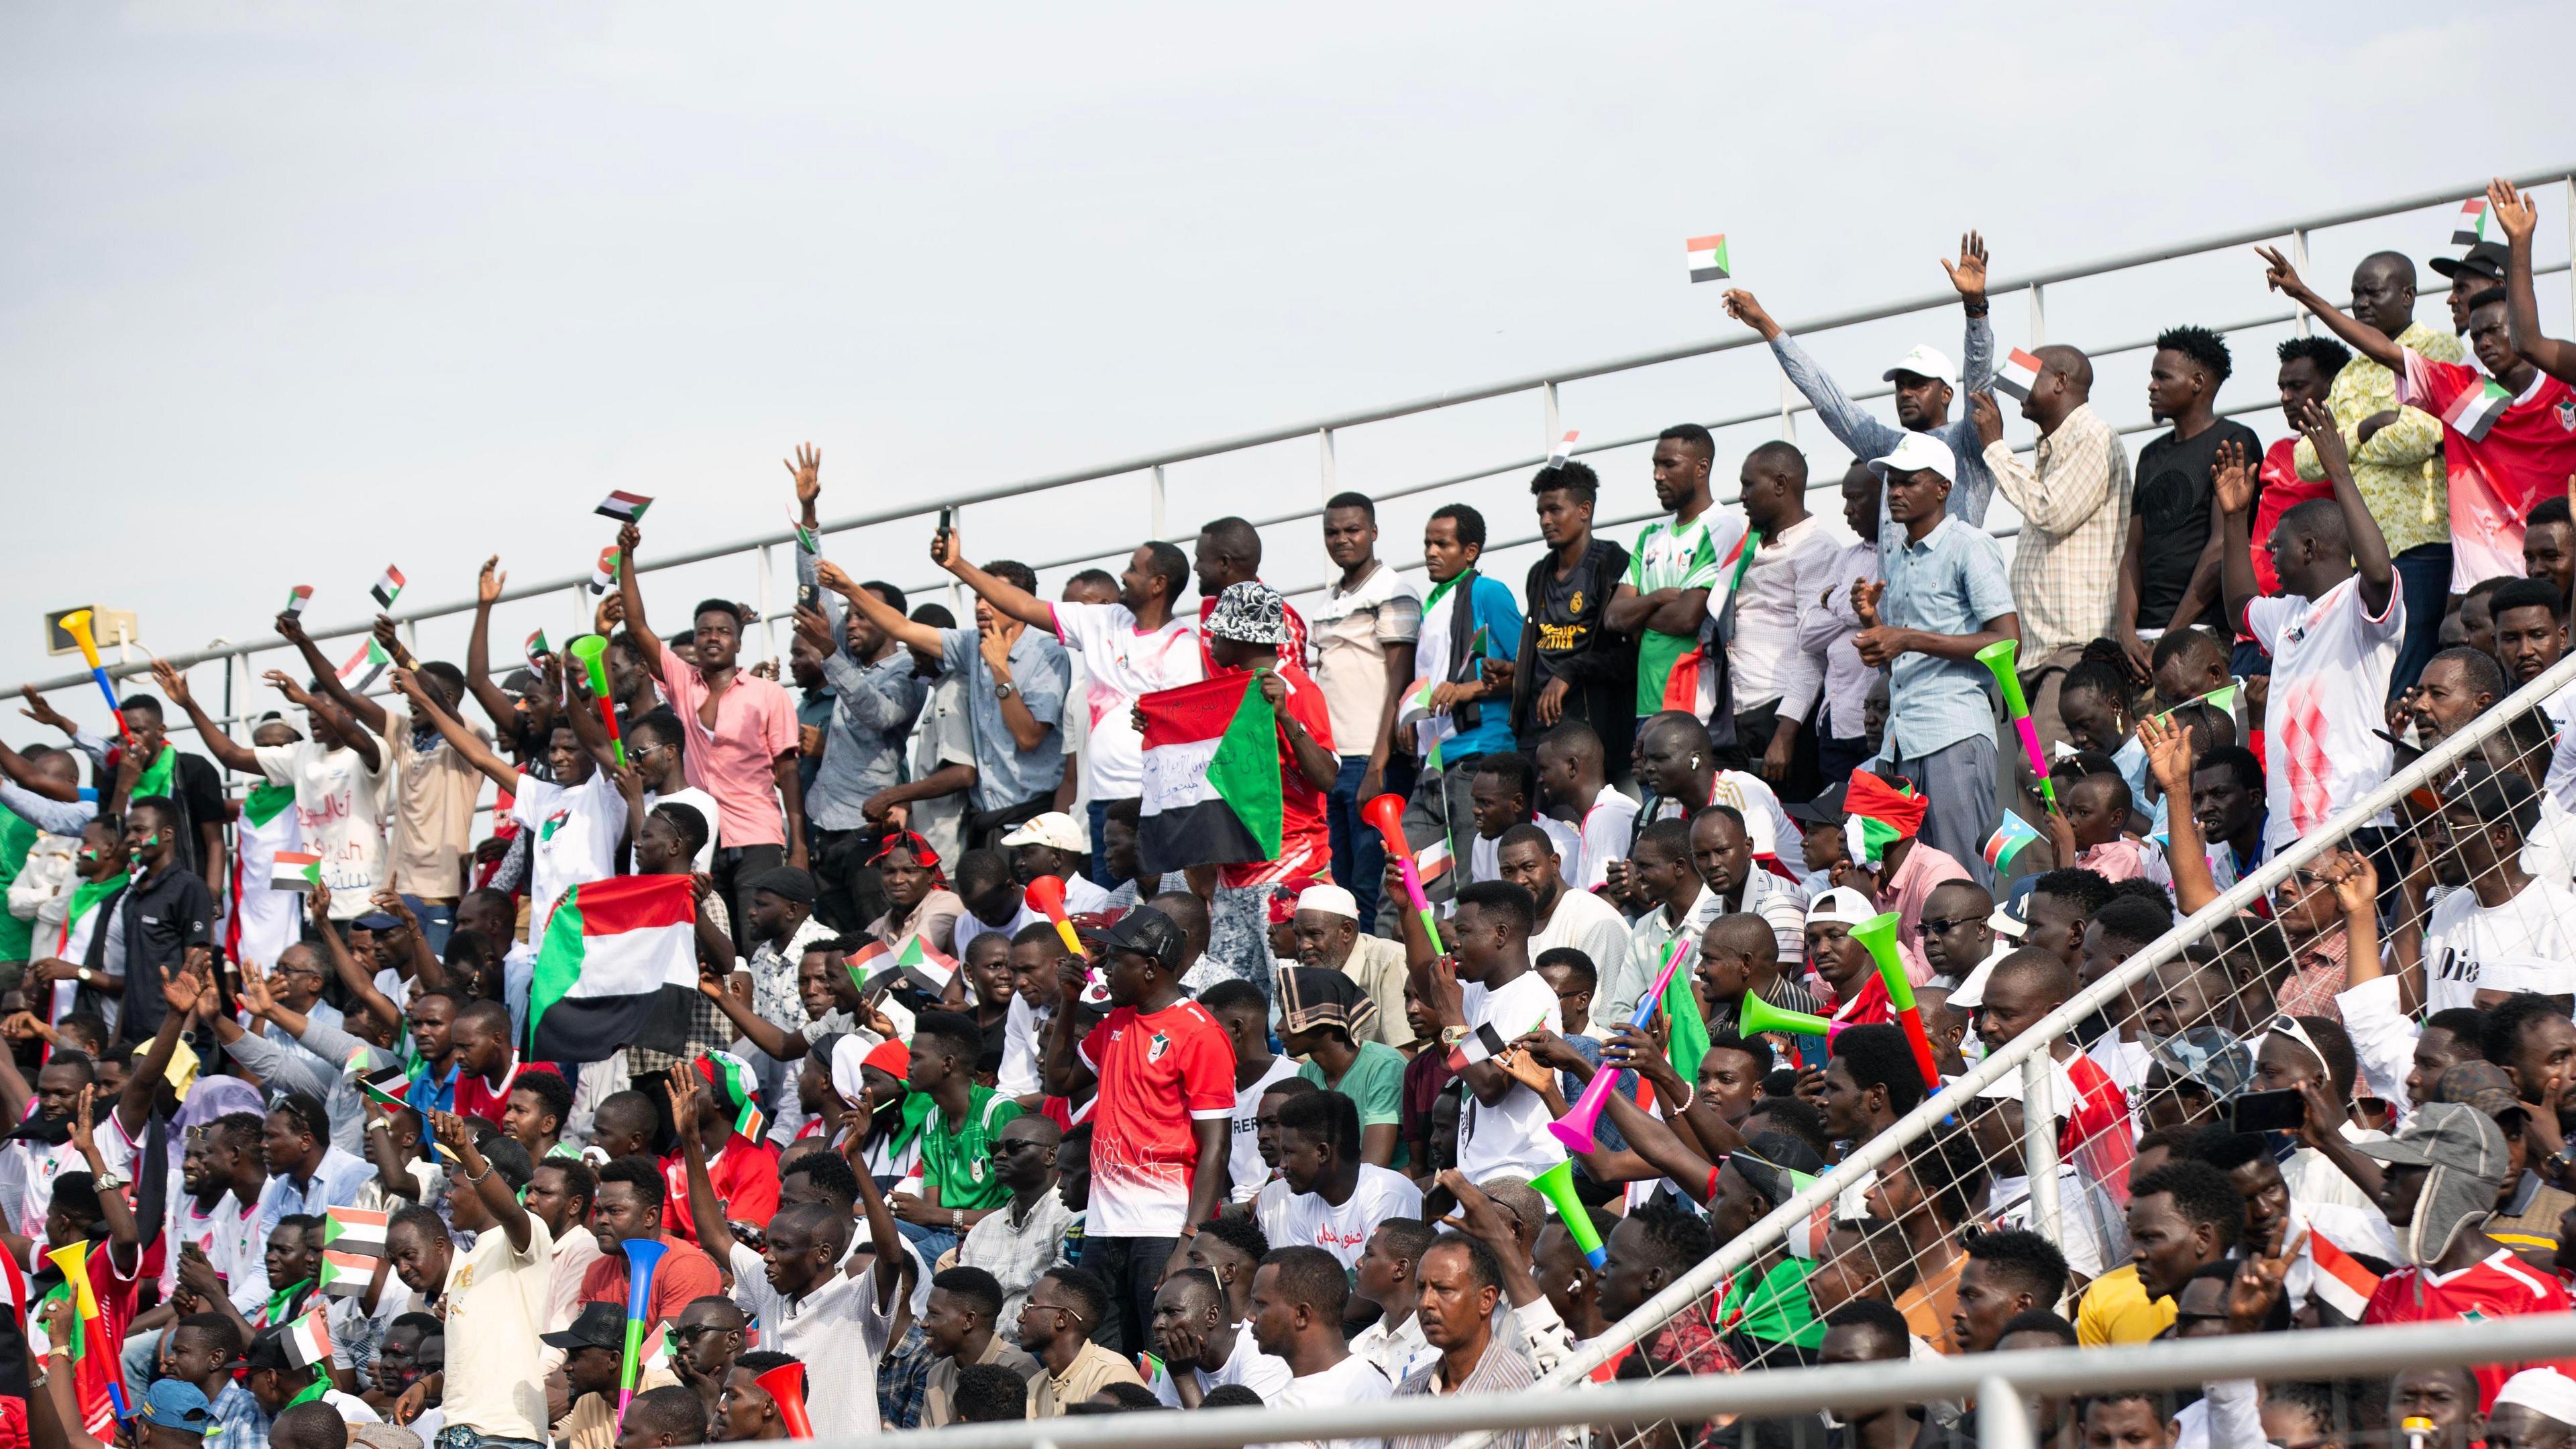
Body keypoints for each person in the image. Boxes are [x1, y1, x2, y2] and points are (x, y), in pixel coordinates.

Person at [2216, 398, 2401, 863]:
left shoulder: (2361, 602)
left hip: (2355, 820)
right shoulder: (2287, 613)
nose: (2270, 556)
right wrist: (2235, 519)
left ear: (2311, 548)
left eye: (2278, 547)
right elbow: (2239, 608)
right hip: (2290, 832)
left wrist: (2339, 473)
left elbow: (2378, 572)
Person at [1041, 905, 1232, 1352]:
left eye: (1114, 960)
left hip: (1164, 1225)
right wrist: (1069, 1002)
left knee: (1162, 1353)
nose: (1103, 970)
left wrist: (1189, 1241)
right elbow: (1059, 1080)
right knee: (1104, 1352)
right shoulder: (1115, 1023)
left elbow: (1216, 1148)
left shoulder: (1199, 1033)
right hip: (1106, 1224)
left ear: (1149, 968)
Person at [614, 521, 809, 941]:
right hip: (698, 837)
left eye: (723, 631)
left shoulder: (768, 694)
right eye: (704, 632)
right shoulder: (683, 684)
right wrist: (626, 558)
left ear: (739, 642)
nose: (712, 638)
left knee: (756, 941)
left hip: (757, 835)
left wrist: (799, 846)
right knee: (705, 943)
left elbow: (788, 772)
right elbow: (637, 626)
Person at [1723, 235, 2000, 527]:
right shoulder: (1891, 447)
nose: (1905, 393)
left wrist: (1975, 307)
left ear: (1946, 394)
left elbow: (1978, 378)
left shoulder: (1970, 440)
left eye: (1918, 384)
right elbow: (1828, 400)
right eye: (1900, 385)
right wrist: (1765, 324)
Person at [1851, 433, 2018, 880]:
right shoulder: (1900, 556)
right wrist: (1873, 626)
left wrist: (1904, 638)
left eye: (1908, 482)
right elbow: (1899, 659)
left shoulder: (1970, 545)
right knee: (1914, 882)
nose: (1895, 492)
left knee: (1961, 880)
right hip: (1904, 740)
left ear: (1943, 488)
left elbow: (2008, 642)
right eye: (1891, 484)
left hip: (1954, 733)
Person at [1970, 345, 2131, 789]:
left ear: (2061, 381)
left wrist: (1995, 447)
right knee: (2033, 777)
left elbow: (2051, 510)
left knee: (2043, 773)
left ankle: (2068, 862)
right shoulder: (2057, 445)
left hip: (2075, 648)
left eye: (2029, 377)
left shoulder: (2091, 436)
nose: (2017, 391)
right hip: (2044, 653)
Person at [2361, 1102, 2576, 1409]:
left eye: (2404, 1165)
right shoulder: (2391, 1290)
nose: (2386, 1174)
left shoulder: (2532, 1297)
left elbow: (2548, 1429)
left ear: (2447, 1180)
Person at [1395, 504, 1524, 912]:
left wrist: (1469, 689)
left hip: (1477, 759)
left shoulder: (1488, 592)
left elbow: (1531, 669)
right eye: (1427, 544)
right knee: (1406, 883)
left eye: (1442, 543)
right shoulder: (1433, 603)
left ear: (1470, 551)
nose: (1431, 552)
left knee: (1470, 884)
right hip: (1432, 765)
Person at [2121, 325, 2265, 669]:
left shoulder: (2234, 440)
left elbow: (2222, 545)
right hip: (2142, 644)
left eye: (2162, 376)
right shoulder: (2150, 454)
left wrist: (2173, 635)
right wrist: (2125, 631)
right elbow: (2133, 551)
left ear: (2197, 382)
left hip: (2201, 633)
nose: (2151, 386)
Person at [1314, 490, 1424, 928]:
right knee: (1338, 886)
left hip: (1370, 759)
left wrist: (1378, 765)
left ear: (1373, 532)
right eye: (1332, 532)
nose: (1342, 539)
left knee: (1369, 883)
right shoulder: (1328, 600)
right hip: (1332, 760)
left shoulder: (1394, 589)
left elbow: (1399, 679)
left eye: (1352, 530)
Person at [1417, 880, 1564, 1184]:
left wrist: (1451, 1019)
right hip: (1481, 1172)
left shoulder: (1531, 997)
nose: (1454, 943)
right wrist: (1406, 908)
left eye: (1464, 932)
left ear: (1500, 935)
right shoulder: (1481, 992)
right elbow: (1427, 987)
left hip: (1521, 1173)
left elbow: (1491, 1088)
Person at [1509, 462, 1633, 782]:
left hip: (1586, 733)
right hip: (1535, 736)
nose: (1545, 520)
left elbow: (1626, 656)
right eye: (1540, 512)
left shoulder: (1612, 563)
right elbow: (1542, 648)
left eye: (1554, 510)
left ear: (1584, 509)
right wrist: (1513, 672)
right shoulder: (1538, 573)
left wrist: (1570, 671)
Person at [2418, 766, 2576, 1014]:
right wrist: (2413, 889)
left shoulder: (2562, 917)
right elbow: (2409, 1005)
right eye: (2438, 826)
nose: (2437, 840)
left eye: (2451, 827)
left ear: (2499, 835)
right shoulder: (2449, 906)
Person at [1728, 441, 1837, 802]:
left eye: (1748, 485)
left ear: (1779, 484)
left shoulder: (1816, 548)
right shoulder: (1747, 546)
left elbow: (1815, 648)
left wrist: (1786, 733)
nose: (1742, 496)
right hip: (1738, 715)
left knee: (1798, 840)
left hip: (1782, 715)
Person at [1388, 1236, 1540, 1449]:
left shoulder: (1526, 1393)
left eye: (1444, 1289)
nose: (1426, 1302)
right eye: (1421, 1288)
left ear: (1486, 1300)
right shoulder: (1407, 1394)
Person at [1797, 463, 1886, 790]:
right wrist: (1854, 608)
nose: (1846, 510)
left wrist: (1830, 599)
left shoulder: (1897, 554)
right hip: (1835, 723)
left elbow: (1885, 614)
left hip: (1876, 723)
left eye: (1855, 498)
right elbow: (1807, 633)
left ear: (1885, 496)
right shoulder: (1845, 558)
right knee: (1835, 821)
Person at [1260, 1089, 1421, 1269]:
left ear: (1322, 1153)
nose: (1282, 1165)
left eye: (1289, 1153)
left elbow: (1380, 1287)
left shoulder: (1385, 1195)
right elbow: (1305, 1282)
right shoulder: (1303, 1202)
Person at [1249, 1246, 1393, 1444]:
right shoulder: (1286, 1392)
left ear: (1302, 1315)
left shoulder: (1361, 1391)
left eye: (1261, 1304)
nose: (1251, 1316)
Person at [1277, 968, 1405, 1167]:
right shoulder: (1307, 1073)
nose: (1278, 1026)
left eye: (1288, 1015)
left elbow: (1374, 1167)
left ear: (1320, 1020)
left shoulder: (1383, 1066)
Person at [1486, 824, 1627, 1000]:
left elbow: (1603, 1014)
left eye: (1529, 867)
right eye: (1508, 872)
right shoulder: (1508, 928)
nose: (1519, 880)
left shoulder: (1595, 920)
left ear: (1554, 864)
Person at [956, 1114, 1071, 1325]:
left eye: (1013, 1147)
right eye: (995, 1148)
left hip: (1036, 1348)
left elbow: (1058, 1302)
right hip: (982, 1346)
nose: (999, 1156)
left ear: (1051, 1155)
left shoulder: (1069, 1218)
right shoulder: (983, 1229)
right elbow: (961, 1300)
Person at [1286, 884, 1410, 1052]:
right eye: (1298, 936)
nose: (1303, 945)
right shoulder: (1304, 976)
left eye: (1314, 934)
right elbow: (1303, 1063)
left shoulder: (1390, 961)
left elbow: (1403, 1059)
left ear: (1346, 931)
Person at [1144, 1267, 1291, 1408]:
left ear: (1212, 1316)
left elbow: (1230, 1434)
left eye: (1172, 1312)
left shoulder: (1260, 1355)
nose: (1157, 1325)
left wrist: (1184, 1377)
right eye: (1155, 1315)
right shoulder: (1179, 1361)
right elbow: (1166, 1431)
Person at [920, 1266, 1042, 1427]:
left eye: (934, 1314)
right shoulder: (937, 1374)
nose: (924, 1323)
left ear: (969, 1320)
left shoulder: (1019, 1368)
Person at [1019, 1267, 1146, 1416]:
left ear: (1061, 1318)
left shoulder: (1112, 1374)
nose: (1021, 1317)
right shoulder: (1034, 1385)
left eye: (1030, 1307)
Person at [1532, 722, 1636, 893]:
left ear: (1572, 767)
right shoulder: (1598, 814)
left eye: (1544, 769)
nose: (1540, 779)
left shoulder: (1605, 816)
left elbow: (1607, 903)